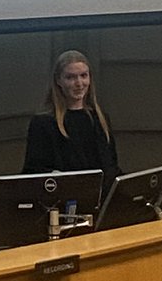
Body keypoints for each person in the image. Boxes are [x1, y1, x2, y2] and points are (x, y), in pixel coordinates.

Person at [22, 50, 120, 194]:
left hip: (101, 200)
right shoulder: (43, 123)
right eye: (70, 77)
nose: (79, 83)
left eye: (83, 76)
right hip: (65, 200)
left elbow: (112, 168)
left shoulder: (101, 119)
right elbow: (34, 173)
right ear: (58, 80)